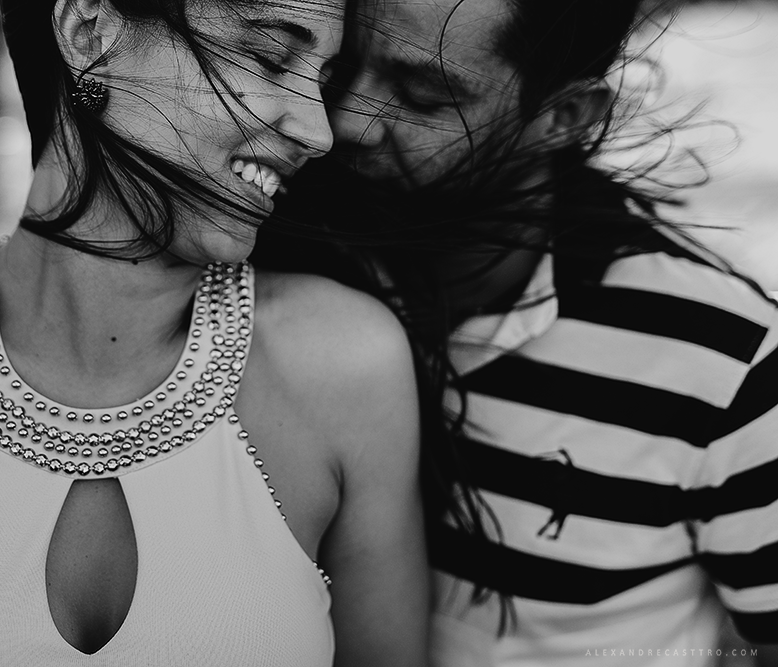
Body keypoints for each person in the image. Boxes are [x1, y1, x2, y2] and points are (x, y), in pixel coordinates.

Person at [0, 1, 430, 665]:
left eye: (321, 79)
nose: (319, 131)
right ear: (89, 31)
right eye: (267, 55)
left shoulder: (344, 369)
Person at [257, 0, 778, 664]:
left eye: (420, 94)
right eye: (341, 66)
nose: (348, 120)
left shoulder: (723, 356)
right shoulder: (270, 263)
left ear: (563, 117)